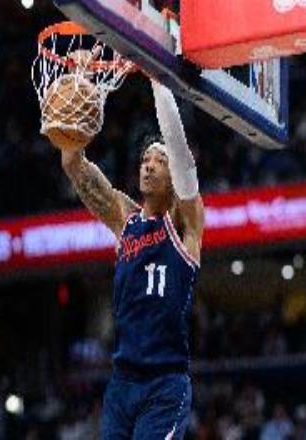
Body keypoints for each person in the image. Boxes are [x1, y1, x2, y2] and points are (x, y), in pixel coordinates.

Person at [61, 77, 204, 439]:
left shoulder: (184, 222)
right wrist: (74, 118)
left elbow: (181, 155)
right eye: (145, 159)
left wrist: (158, 80)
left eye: (160, 161)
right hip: (122, 382)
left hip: (165, 383)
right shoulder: (126, 220)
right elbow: (75, 167)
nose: (149, 165)